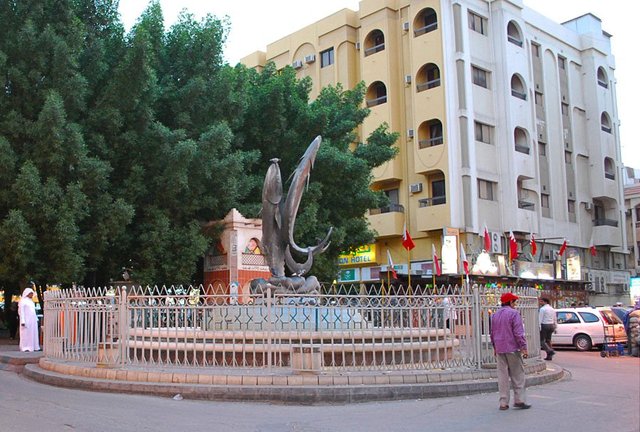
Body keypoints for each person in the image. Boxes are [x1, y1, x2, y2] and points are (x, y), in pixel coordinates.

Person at [490, 292, 531, 411]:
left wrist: (494, 347)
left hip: (500, 348)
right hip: (512, 348)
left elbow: (492, 333)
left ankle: (503, 402)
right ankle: (519, 400)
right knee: (517, 375)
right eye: (514, 302)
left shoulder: (494, 315)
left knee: (502, 376)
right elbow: (518, 333)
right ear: (510, 302)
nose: (515, 304)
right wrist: (523, 347)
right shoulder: (514, 314)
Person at [18, 287, 40, 352]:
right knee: (25, 334)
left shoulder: (31, 301)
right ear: (27, 294)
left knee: (33, 334)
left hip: (32, 321)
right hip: (26, 321)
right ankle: (25, 347)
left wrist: (36, 319)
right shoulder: (22, 301)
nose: (32, 295)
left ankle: (34, 346)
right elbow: (21, 312)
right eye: (31, 293)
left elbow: (33, 311)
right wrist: (23, 321)